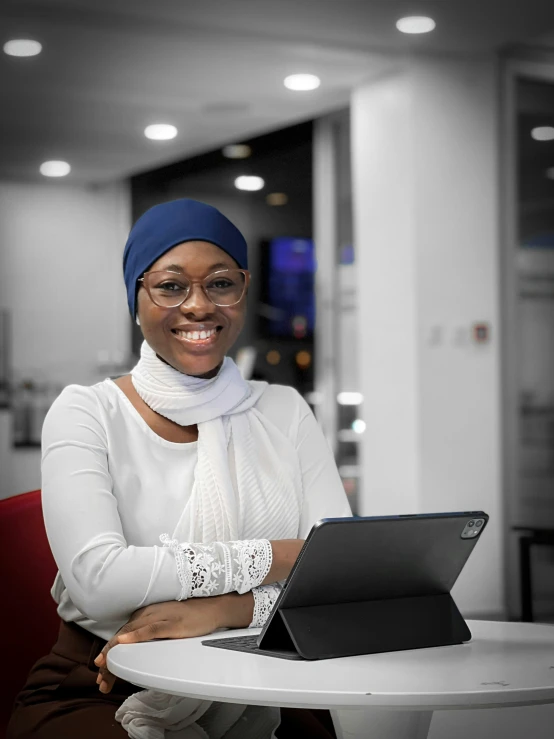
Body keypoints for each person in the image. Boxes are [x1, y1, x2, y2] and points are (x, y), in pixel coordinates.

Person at [7, 198, 351, 739]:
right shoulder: (88, 411)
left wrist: (220, 611)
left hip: (263, 678)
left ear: (243, 288)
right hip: (102, 684)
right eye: (170, 286)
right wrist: (277, 557)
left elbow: (339, 579)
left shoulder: (282, 409)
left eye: (219, 283)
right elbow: (99, 582)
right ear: (136, 298)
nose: (198, 305)